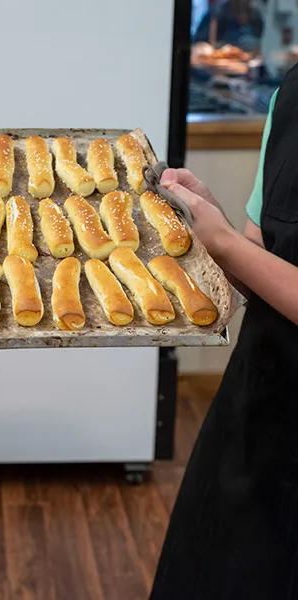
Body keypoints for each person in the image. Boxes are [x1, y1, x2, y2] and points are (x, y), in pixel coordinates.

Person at [149, 61, 298, 598]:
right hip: (259, 405)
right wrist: (209, 218)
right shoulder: (292, 93)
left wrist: (226, 244)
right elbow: (263, 265)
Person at [194, 0, 264, 52]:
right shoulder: (217, 12)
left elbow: (258, 45)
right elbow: (199, 44)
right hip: (218, 65)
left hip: (249, 66)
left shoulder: (256, 15)